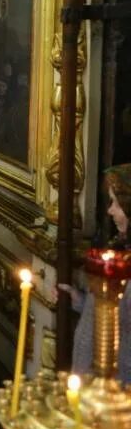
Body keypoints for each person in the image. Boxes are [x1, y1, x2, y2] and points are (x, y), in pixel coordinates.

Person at [62, 163, 131, 381]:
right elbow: (114, 313)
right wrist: (79, 300)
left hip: (115, 391)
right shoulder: (121, 250)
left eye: (116, 204)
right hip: (92, 385)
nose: (110, 210)